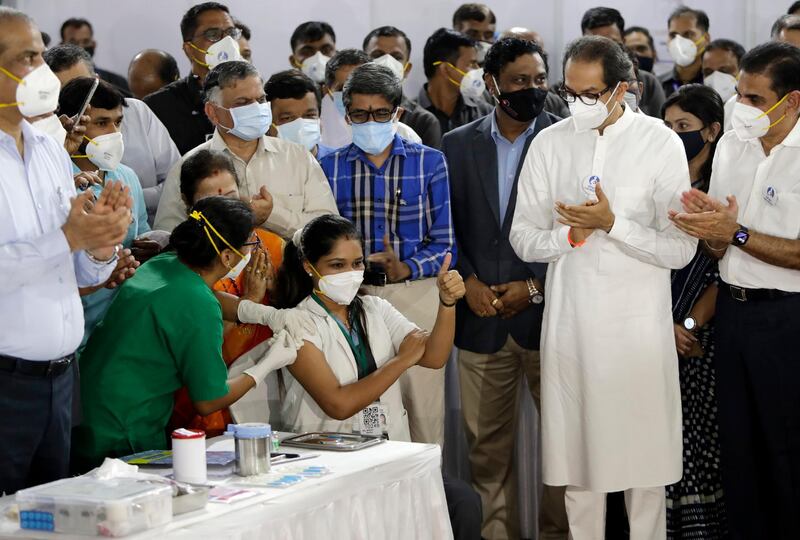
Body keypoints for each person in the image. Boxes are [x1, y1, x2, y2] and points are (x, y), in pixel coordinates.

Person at [510, 36, 696, 538]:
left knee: (646, 474)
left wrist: (613, 224)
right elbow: (523, 238)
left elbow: (679, 249)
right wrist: (572, 234)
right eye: (569, 92)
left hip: (637, 332)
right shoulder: (549, 142)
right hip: (571, 329)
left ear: (623, 89)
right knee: (578, 474)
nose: (577, 104)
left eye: (590, 94)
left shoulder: (660, 142)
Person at [72, 196, 311, 471]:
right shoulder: (198, 304)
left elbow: (203, 294)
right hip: (123, 428)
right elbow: (209, 400)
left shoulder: (163, 264)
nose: (252, 252)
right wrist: (266, 364)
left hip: (89, 408)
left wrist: (262, 313)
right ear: (227, 256)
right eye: (250, 244)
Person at [669, 41, 800, 540]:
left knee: (785, 450)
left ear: (791, 101)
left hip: (788, 318)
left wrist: (735, 232)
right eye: (738, 95)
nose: (740, 108)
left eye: (752, 98)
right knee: (739, 450)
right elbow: (723, 250)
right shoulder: (732, 146)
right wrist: (705, 225)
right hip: (734, 314)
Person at [0, 6, 132, 494]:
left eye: (40, 53)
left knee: (51, 519)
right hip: (5, 383)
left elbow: (75, 269)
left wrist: (100, 242)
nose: (42, 70)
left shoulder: (49, 148)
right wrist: (70, 238)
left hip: (60, 377)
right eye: (28, 57)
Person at [441, 37, 568, 540]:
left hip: (553, 321)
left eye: (539, 80)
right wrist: (468, 280)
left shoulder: (566, 142)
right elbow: (447, 223)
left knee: (562, 454)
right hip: (481, 321)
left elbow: (581, 236)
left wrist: (535, 287)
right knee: (487, 456)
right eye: (519, 81)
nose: (532, 90)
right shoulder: (456, 143)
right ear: (491, 84)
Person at [319, 63, 455, 446]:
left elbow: (444, 242)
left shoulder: (429, 162)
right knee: (368, 413)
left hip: (416, 296)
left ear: (399, 113)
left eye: (381, 114)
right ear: (346, 116)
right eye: (360, 115)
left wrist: (406, 267)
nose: (370, 122)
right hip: (353, 299)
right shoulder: (328, 166)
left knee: (424, 412)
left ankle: (430, 500)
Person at [169, 149, 284, 436]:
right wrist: (250, 303)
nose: (224, 211)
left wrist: (279, 292)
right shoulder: (188, 262)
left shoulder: (274, 248)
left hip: (271, 398)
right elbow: (204, 350)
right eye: (210, 202)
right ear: (188, 205)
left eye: (231, 198)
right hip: (207, 406)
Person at [154, 60, 338, 237]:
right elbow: (170, 237)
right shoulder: (188, 166)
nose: (256, 108)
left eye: (261, 99)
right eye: (242, 103)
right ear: (212, 112)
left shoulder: (298, 158)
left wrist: (271, 216)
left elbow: (328, 228)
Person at [661, 84, 727, 539]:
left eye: (683, 127)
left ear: (711, 131)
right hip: (649, 332)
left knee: (702, 443)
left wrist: (685, 325)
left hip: (700, 339)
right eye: (666, 127)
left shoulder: (722, 189)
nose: (673, 136)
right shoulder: (657, 186)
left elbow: (726, 274)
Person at [44, 44, 180, 224]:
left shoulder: (136, 113)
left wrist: (131, 195)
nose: (81, 99)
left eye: (85, 86)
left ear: (98, 80)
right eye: (67, 93)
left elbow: (176, 180)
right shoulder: (47, 144)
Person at [59, 77, 150, 342]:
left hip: (120, 322)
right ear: (73, 124)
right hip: (73, 325)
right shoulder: (56, 176)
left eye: (118, 122)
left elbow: (140, 235)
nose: (114, 132)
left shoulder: (126, 176)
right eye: (101, 123)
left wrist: (147, 248)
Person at [144, 2, 243, 155]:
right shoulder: (159, 107)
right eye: (213, 34)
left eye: (231, 33)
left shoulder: (255, 97)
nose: (226, 41)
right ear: (189, 49)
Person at [320, 48, 423, 148]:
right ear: (326, 92)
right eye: (342, 88)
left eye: (361, 86)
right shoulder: (316, 134)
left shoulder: (405, 135)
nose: (352, 95)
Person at [363, 25, 443, 148]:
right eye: (378, 55)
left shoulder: (423, 121)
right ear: (363, 63)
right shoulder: (349, 113)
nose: (387, 61)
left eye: (396, 57)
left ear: (407, 69)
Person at [580, 7, 666, 118]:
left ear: (623, 41)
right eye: (595, 44)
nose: (603, 51)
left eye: (611, 42)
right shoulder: (570, 87)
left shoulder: (648, 83)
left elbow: (661, 127)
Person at [420, 28, 493, 136]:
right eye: (471, 64)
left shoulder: (485, 114)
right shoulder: (409, 116)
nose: (479, 70)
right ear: (446, 69)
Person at [264, 69, 332, 160]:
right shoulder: (258, 169)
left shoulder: (339, 164)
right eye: (287, 118)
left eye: (309, 115)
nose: (300, 125)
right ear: (268, 126)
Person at [59, 17, 130, 94]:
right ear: (61, 46)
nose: (80, 47)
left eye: (85, 41)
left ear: (94, 44)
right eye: (73, 42)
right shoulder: (54, 83)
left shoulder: (118, 82)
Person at [661, 6, 711, 97]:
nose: (679, 41)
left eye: (688, 34)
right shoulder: (658, 85)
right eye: (673, 35)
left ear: (706, 39)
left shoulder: (715, 84)